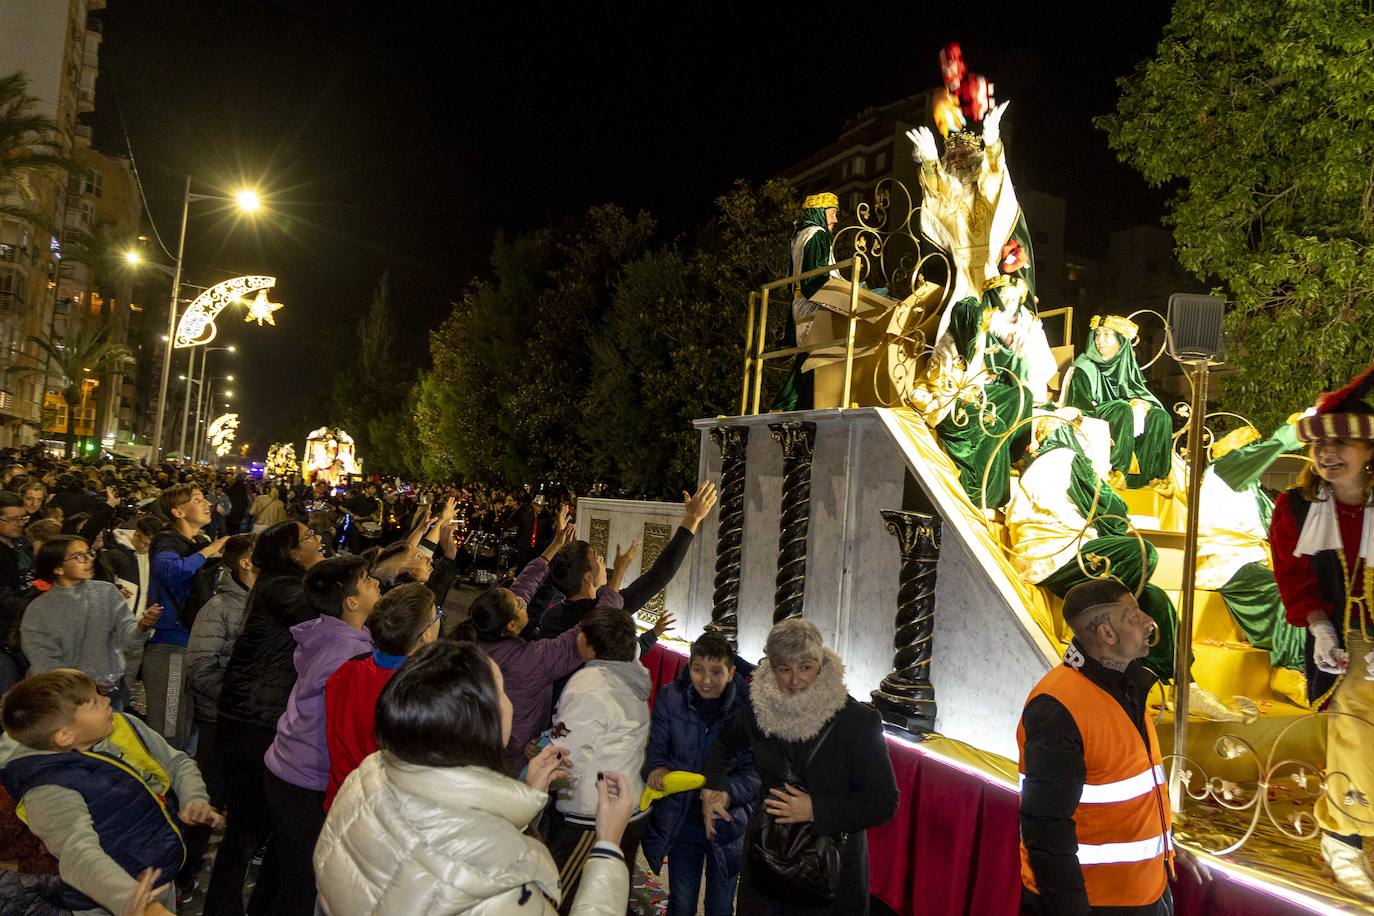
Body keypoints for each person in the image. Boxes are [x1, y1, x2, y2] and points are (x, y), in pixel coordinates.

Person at [314, 639, 637, 914]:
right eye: (502, 691)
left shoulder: (365, 776)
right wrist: (607, 848)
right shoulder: (499, 875)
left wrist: (527, 798)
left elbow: (448, 841)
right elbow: (472, 862)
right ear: (483, 722)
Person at [1018, 577, 1209, 914]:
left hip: (1144, 890)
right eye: (1133, 615)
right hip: (1096, 902)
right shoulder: (1058, 707)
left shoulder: (1126, 686)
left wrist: (1168, 843)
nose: (1149, 621)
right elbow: (1046, 827)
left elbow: (1129, 788)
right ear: (1107, 634)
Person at [700, 618, 898, 915]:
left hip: (829, 870)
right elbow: (726, 742)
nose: (795, 681)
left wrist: (816, 809)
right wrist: (713, 784)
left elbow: (884, 802)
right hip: (766, 860)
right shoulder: (758, 711)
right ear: (771, 668)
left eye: (805, 667)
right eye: (784, 669)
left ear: (821, 664)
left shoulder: (857, 721)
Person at [1269, 361, 1374, 899]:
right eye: (1320, 447)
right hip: (1341, 640)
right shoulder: (1297, 505)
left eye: (1342, 446)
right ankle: (1343, 836)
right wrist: (1320, 629)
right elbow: (1293, 574)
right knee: (1354, 728)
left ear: (1368, 450)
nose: (1328, 455)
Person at [0, 669, 222, 915]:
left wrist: (193, 797)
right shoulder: (47, 788)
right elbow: (79, 857)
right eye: (94, 702)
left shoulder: (123, 724)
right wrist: (137, 903)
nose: (107, 700)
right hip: (106, 902)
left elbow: (177, 762)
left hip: (156, 879)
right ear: (64, 735)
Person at [204, 520, 324, 916]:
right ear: (292, 554)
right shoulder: (283, 590)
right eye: (310, 538)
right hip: (253, 721)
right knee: (247, 828)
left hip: (261, 717)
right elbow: (332, 607)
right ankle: (222, 908)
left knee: (266, 828)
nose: (318, 541)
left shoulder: (281, 585)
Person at [259, 554, 379, 916]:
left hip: (284, 764)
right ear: (351, 602)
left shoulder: (326, 631)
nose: (376, 583)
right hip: (308, 776)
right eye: (368, 580)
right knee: (303, 880)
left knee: (280, 866)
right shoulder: (352, 650)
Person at [642, 632, 759, 916]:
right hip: (683, 818)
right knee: (682, 901)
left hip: (729, 821)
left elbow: (756, 773)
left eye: (716, 672)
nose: (706, 680)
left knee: (720, 905)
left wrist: (726, 794)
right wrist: (656, 769)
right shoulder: (671, 698)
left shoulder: (749, 711)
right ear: (689, 667)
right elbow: (655, 748)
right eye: (698, 670)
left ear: (732, 672)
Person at [546, 607, 652, 913]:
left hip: (590, 817)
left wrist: (540, 782)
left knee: (557, 900)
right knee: (609, 891)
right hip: (628, 807)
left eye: (581, 632)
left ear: (590, 646)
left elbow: (568, 758)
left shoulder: (590, 683)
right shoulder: (631, 671)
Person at [541, 481, 718, 638]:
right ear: (587, 577)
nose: (602, 558)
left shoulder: (552, 617)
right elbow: (658, 576)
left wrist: (562, 548)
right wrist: (692, 519)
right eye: (595, 557)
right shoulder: (605, 614)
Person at [322, 581, 440, 809]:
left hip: (341, 800)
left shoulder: (346, 671)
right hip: (381, 814)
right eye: (438, 617)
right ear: (425, 635)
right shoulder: (422, 692)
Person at [20, 536, 161, 702]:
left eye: (89, 553)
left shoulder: (106, 591)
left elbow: (128, 638)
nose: (89, 560)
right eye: (79, 556)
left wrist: (141, 626)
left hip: (109, 690)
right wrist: (85, 683)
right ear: (58, 568)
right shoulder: (38, 609)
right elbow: (43, 661)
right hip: (61, 697)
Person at [145, 485, 230, 748]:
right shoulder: (167, 542)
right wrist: (206, 552)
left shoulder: (195, 544)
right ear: (178, 511)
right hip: (171, 645)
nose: (206, 503)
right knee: (168, 728)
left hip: (193, 645)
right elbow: (170, 572)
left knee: (186, 726)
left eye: (204, 497)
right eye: (196, 499)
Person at [184, 531, 258, 806]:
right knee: (212, 795)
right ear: (246, 562)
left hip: (254, 720)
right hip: (221, 720)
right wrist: (240, 695)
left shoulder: (267, 603)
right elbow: (201, 668)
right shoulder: (218, 608)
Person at [1064, 316, 1172, 492]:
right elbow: (1078, 406)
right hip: (1091, 417)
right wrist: (1123, 406)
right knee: (1122, 408)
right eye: (1098, 335)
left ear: (1121, 342)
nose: (1100, 340)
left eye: (1107, 335)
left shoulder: (1125, 366)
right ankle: (1116, 471)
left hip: (1123, 414)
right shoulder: (1084, 366)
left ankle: (1154, 477)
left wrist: (1143, 404)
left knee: (1160, 416)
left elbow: (1139, 393)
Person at [772, 192, 839, 412]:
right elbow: (816, 278)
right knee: (816, 356)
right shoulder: (818, 234)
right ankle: (786, 404)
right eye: (832, 213)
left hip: (800, 304)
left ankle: (796, 404)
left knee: (813, 356)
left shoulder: (800, 235)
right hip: (815, 304)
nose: (835, 220)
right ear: (820, 213)